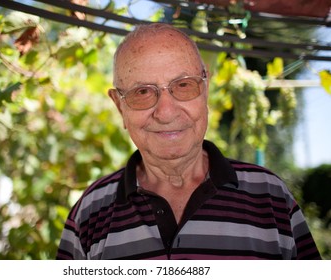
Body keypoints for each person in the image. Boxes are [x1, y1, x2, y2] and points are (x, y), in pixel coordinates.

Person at [56, 23, 321, 260]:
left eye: (183, 85)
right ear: (119, 106)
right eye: (143, 92)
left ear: (205, 90)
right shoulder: (90, 212)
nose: (166, 112)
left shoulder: (270, 196)